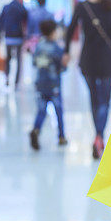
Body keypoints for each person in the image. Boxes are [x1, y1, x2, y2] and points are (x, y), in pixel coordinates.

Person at [64, 0, 111, 160]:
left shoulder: (82, 6)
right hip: (108, 59)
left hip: (89, 60)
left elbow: (69, 31)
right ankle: (100, 136)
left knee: (94, 99)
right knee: (105, 101)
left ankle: (98, 136)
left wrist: (67, 52)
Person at [29, 19, 68, 150]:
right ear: (53, 32)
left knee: (41, 110)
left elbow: (34, 62)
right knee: (58, 111)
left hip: (40, 84)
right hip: (54, 85)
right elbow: (62, 67)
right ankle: (61, 136)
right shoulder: (56, 48)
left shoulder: (39, 46)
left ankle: (36, 129)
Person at [0, 0, 28, 88]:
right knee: (19, 60)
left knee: (8, 58)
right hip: (18, 37)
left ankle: (6, 79)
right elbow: (26, 22)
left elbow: (0, 22)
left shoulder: (6, 7)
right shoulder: (21, 8)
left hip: (8, 36)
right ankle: (16, 82)